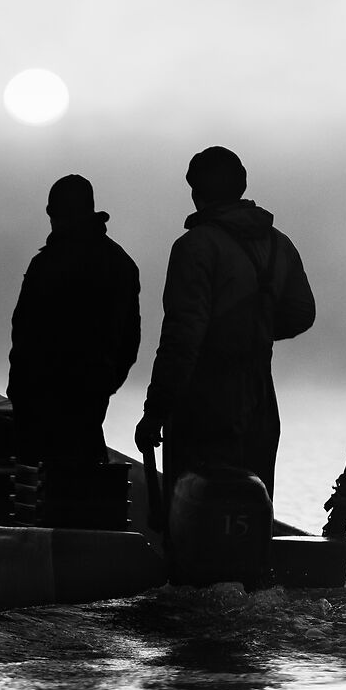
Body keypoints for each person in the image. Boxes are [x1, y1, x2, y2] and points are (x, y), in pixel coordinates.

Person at [133, 147, 316, 497]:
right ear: (242, 185)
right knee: (251, 507)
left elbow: (182, 338)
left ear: (196, 192)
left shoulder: (195, 246)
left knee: (194, 513)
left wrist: (154, 412)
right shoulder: (281, 245)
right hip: (261, 401)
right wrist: (256, 330)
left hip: (203, 404)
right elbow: (302, 313)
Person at [7, 174, 141, 468]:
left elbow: (25, 333)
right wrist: (106, 384)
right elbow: (130, 339)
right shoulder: (122, 263)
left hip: (41, 397)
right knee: (84, 475)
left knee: (40, 485)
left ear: (55, 213)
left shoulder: (47, 264)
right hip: (92, 394)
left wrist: (19, 392)